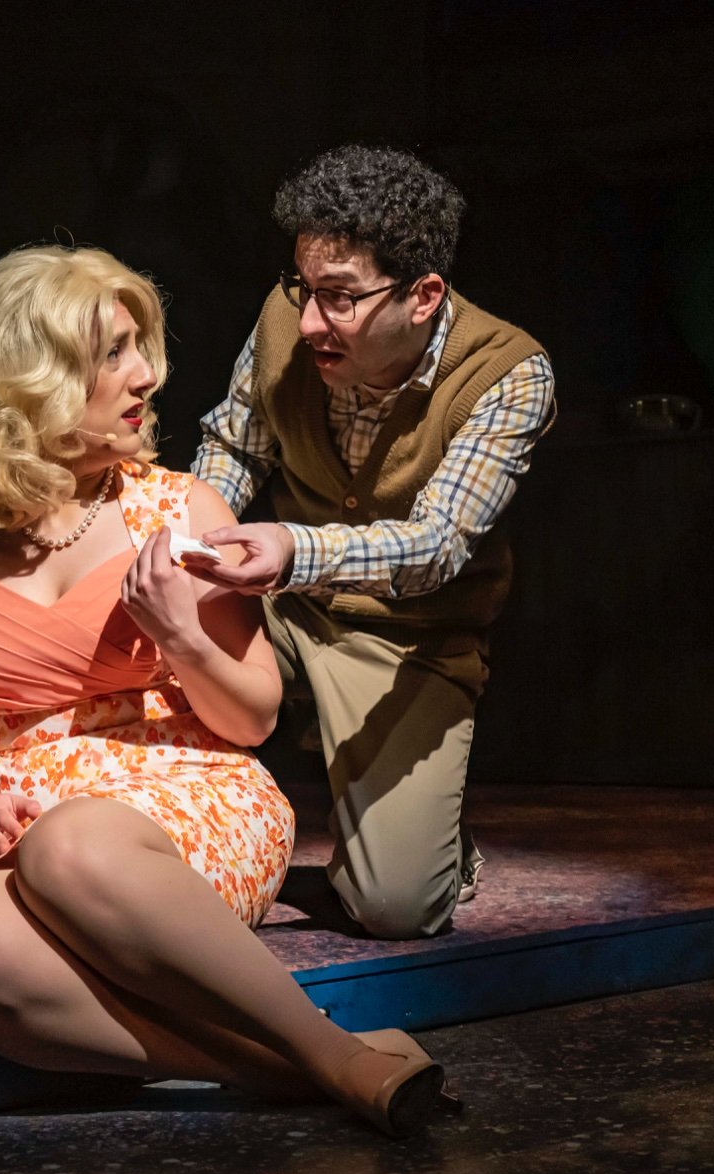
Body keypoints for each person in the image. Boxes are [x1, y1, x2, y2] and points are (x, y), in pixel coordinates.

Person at [0, 244, 456, 1136]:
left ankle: (324, 1048)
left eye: (140, 346)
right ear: (33, 380)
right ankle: (303, 1066)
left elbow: (254, 715)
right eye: (111, 353)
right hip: (26, 818)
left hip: (189, 794)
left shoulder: (182, 509)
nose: (146, 373)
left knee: (72, 850)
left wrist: (181, 632)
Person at [191, 145, 557, 940]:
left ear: (424, 295)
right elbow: (235, 445)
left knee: (395, 907)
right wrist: (185, 539)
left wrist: (297, 548)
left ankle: (434, 842)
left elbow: (436, 546)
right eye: (303, 288)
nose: (310, 319)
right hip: (279, 603)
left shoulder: (509, 373)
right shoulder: (286, 317)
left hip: (407, 635)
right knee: (155, 631)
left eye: (340, 298)